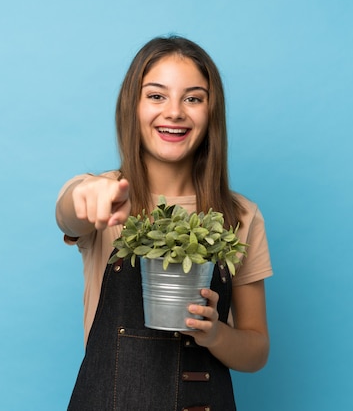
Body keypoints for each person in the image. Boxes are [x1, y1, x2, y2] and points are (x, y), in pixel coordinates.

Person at [56, 35, 273, 410]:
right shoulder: (109, 197)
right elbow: (69, 213)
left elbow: (256, 350)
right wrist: (87, 194)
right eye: (156, 95)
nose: (174, 111)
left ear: (211, 112)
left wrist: (215, 334)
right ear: (133, 106)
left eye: (193, 98)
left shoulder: (240, 216)